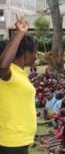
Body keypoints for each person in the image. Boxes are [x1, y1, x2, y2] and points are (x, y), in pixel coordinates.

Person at [0, 18, 37, 154]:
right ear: (27, 53)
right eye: (35, 51)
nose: (36, 56)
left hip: (20, 141)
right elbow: (2, 66)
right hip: (10, 142)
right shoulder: (10, 72)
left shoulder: (21, 74)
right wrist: (20, 33)